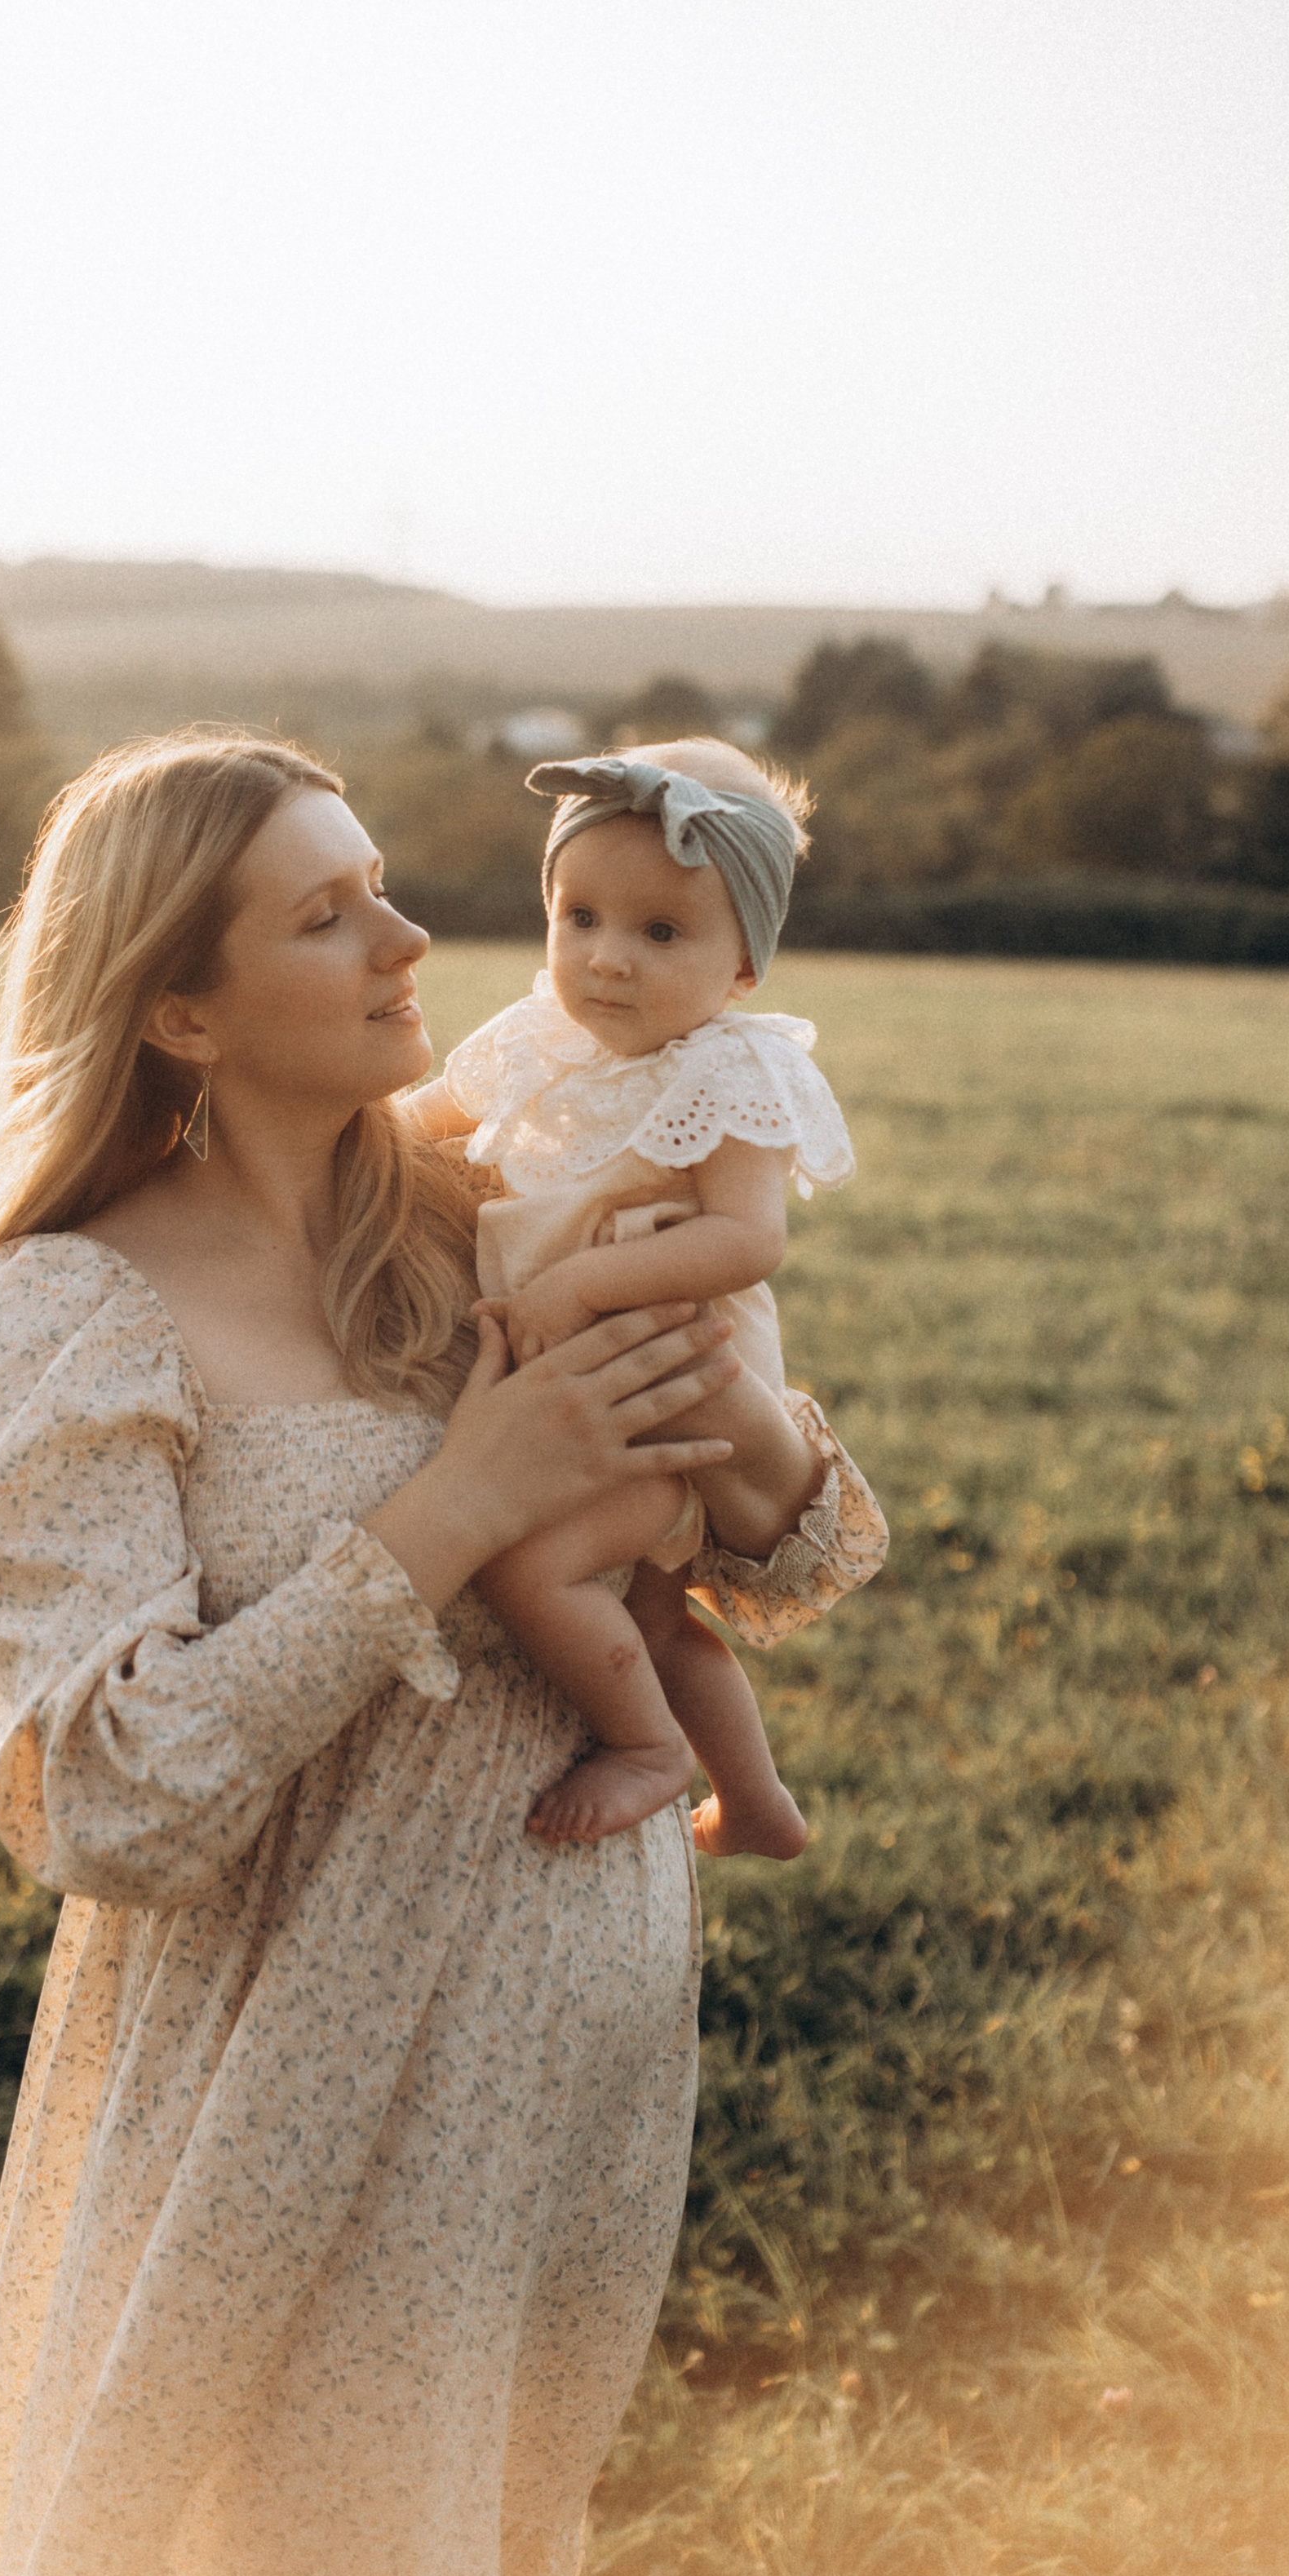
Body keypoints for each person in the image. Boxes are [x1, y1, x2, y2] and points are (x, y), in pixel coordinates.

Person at [0, 729, 884, 2576]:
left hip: (559, 2080)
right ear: (179, 1006)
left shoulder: (479, 1205)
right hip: (291, 2101)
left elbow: (802, 1563)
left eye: (387, 888)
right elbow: (112, 1800)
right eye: (329, 914)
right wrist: (451, 1510)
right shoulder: (72, 1304)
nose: (412, 937)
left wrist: (746, 1424)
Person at [408, 738, 853, 1853]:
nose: (607, 959)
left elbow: (747, 1239)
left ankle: (647, 1750)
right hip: (595, 1400)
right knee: (658, 1617)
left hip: (677, 1410)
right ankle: (756, 1805)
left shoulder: (733, 1070)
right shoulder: (538, 1041)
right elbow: (413, 1124)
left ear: (743, 967)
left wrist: (587, 1279)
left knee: (535, 1567)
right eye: (580, 918)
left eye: (660, 933)